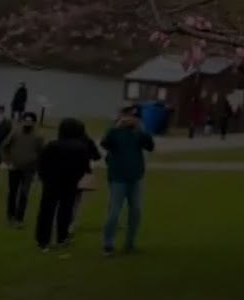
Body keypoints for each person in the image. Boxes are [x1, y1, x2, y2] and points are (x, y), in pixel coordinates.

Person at [100, 108, 155, 255]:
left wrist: (141, 130)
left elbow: (150, 146)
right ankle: (108, 243)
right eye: (126, 116)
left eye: (132, 117)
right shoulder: (114, 132)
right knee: (114, 211)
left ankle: (130, 242)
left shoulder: (138, 133)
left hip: (136, 177)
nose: (129, 119)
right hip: (118, 177)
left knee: (136, 210)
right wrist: (116, 127)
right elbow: (104, 143)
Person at [35, 118, 95, 251]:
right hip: (70, 182)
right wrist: (76, 177)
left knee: (46, 211)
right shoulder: (81, 148)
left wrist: (44, 177)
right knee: (66, 210)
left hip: (51, 182)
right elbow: (85, 167)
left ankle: (43, 240)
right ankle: (62, 237)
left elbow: (42, 163)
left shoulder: (52, 145)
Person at [1, 112, 44, 228]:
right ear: (23, 121)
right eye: (26, 121)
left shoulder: (38, 136)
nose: (27, 123)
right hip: (14, 168)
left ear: (34, 123)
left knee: (24, 193)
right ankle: (10, 215)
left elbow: (42, 154)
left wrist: (38, 170)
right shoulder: (15, 133)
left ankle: (19, 218)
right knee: (13, 192)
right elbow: (4, 147)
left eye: (30, 121)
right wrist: (8, 162)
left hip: (29, 170)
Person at [67, 126, 101, 239]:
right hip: (82, 173)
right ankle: (71, 224)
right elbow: (97, 156)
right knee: (76, 200)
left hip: (66, 173)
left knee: (66, 199)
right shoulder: (87, 141)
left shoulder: (66, 140)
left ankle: (61, 222)